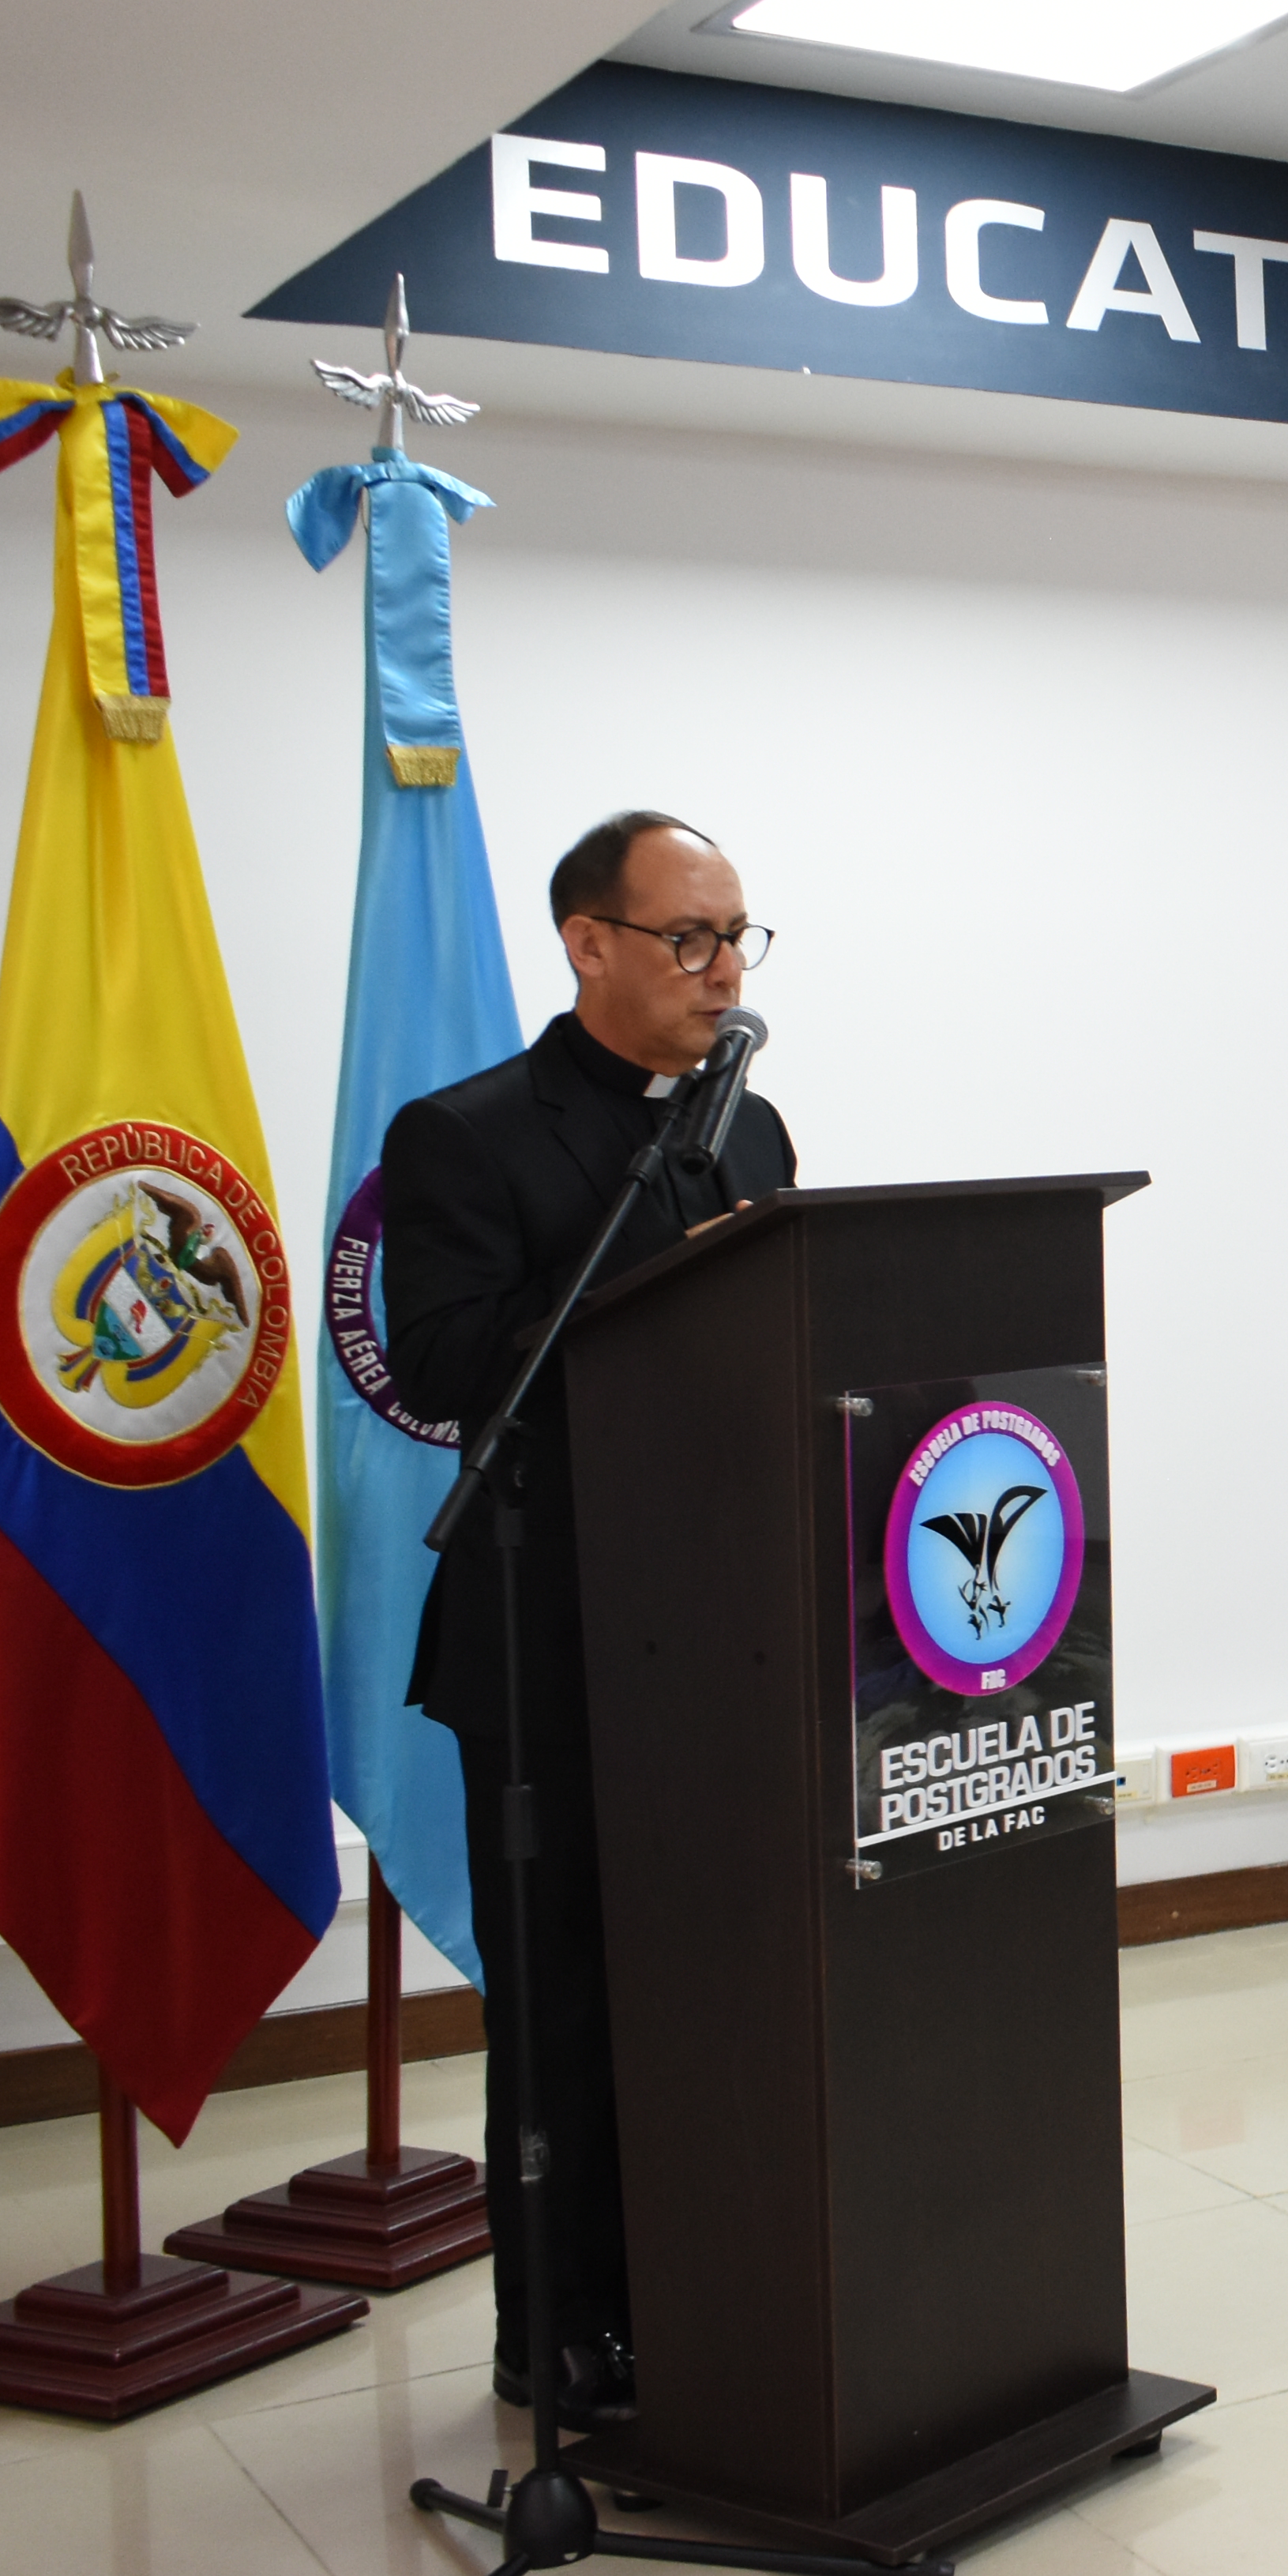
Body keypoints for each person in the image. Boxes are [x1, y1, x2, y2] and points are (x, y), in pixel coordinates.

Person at [382, 810, 791, 2420]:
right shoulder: (467, 1134)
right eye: (691, 936)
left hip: (724, 1627)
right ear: (588, 941)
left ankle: (716, 2283)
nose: (724, 968)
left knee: (714, 1981)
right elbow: (441, 1362)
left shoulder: (753, 1137)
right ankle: (554, 2328)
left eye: (742, 935)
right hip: (544, 1623)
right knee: (565, 1995)